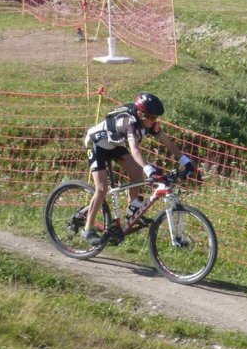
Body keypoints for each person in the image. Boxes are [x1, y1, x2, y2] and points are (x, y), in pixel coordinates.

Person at [80, 92, 195, 245]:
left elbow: (167, 142)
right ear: (140, 113)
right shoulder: (130, 123)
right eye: (150, 117)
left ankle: (132, 210)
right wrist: (150, 170)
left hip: (114, 144)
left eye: (156, 117)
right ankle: (88, 229)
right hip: (96, 144)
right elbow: (134, 150)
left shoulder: (148, 122)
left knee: (136, 172)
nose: (153, 121)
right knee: (102, 188)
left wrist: (185, 161)